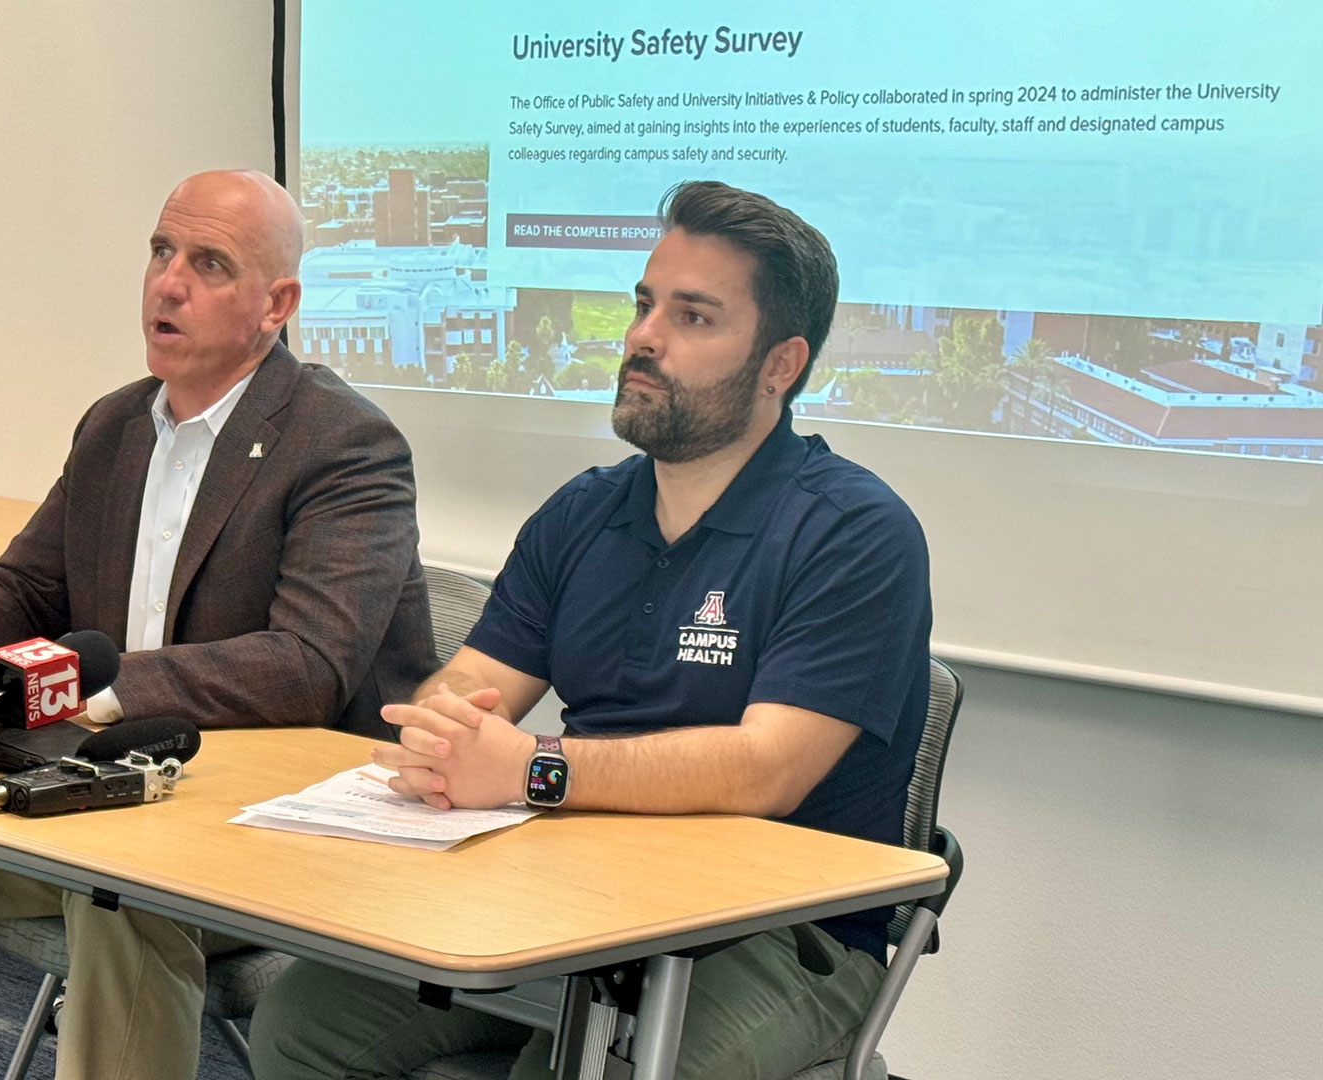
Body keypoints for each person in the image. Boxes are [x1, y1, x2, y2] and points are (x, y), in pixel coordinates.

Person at [0, 170, 435, 1080]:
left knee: (125, 888)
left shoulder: (343, 444)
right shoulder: (115, 427)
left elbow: (305, 667)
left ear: (279, 305)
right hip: (116, 788)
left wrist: (79, 686)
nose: (168, 283)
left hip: (280, 825)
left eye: (208, 263)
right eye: (160, 252)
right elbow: (29, 582)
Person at [247, 180, 933, 1080]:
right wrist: (443, 734)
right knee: (303, 1023)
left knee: (577, 1073)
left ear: (781, 365)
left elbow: (765, 770)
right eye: (646, 304)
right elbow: (466, 687)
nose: (644, 336)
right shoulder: (585, 511)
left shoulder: (854, 532)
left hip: (777, 932)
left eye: (694, 317)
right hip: (578, 896)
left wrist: (532, 768)